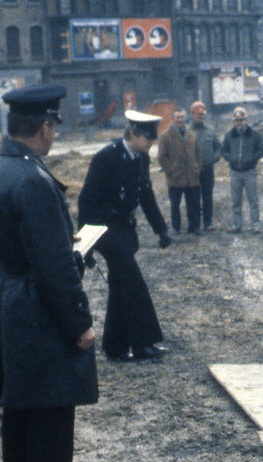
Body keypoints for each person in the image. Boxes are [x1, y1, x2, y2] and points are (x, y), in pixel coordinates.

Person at [0, 84, 100, 462]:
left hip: (10, 296)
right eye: (54, 126)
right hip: (37, 303)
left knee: (20, 404)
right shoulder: (33, 179)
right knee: (51, 404)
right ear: (46, 126)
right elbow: (52, 269)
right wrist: (79, 324)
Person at [78, 110, 172, 363]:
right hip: (106, 232)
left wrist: (160, 228)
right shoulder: (106, 158)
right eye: (148, 138)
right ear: (133, 133)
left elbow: (146, 196)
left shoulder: (141, 159)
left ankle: (115, 347)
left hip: (125, 231)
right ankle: (143, 343)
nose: (151, 143)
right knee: (134, 284)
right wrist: (84, 246)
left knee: (120, 287)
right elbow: (86, 201)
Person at [221, 106, 263, 234]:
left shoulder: (254, 134)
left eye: (242, 120)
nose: (239, 122)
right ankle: (237, 225)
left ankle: (255, 225)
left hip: (250, 172)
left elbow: (262, 150)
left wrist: (253, 159)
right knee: (236, 201)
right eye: (237, 120)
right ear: (234, 121)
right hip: (235, 172)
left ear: (246, 120)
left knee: (253, 200)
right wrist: (232, 159)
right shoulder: (229, 135)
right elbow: (223, 150)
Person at [157, 108, 202, 236]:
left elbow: (198, 152)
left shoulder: (191, 133)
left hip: (191, 177)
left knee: (193, 204)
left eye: (182, 117)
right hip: (175, 178)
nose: (180, 120)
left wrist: (197, 167)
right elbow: (161, 157)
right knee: (175, 205)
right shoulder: (166, 135)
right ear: (173, 118)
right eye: (178, 117)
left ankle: (193, 227)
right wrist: (170, 171)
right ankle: (176, 228)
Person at [190, 101, 221, 231]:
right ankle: (196, 225)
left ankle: (208, 223)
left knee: (207, 196)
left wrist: (215, 157)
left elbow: (218, 147)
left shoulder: (210, 130)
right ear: (192, 114)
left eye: (202, 114)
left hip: (208, 169)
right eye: (198, 114)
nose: (200, 117)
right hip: (193, 171)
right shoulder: (187, 131)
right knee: (194, 197)